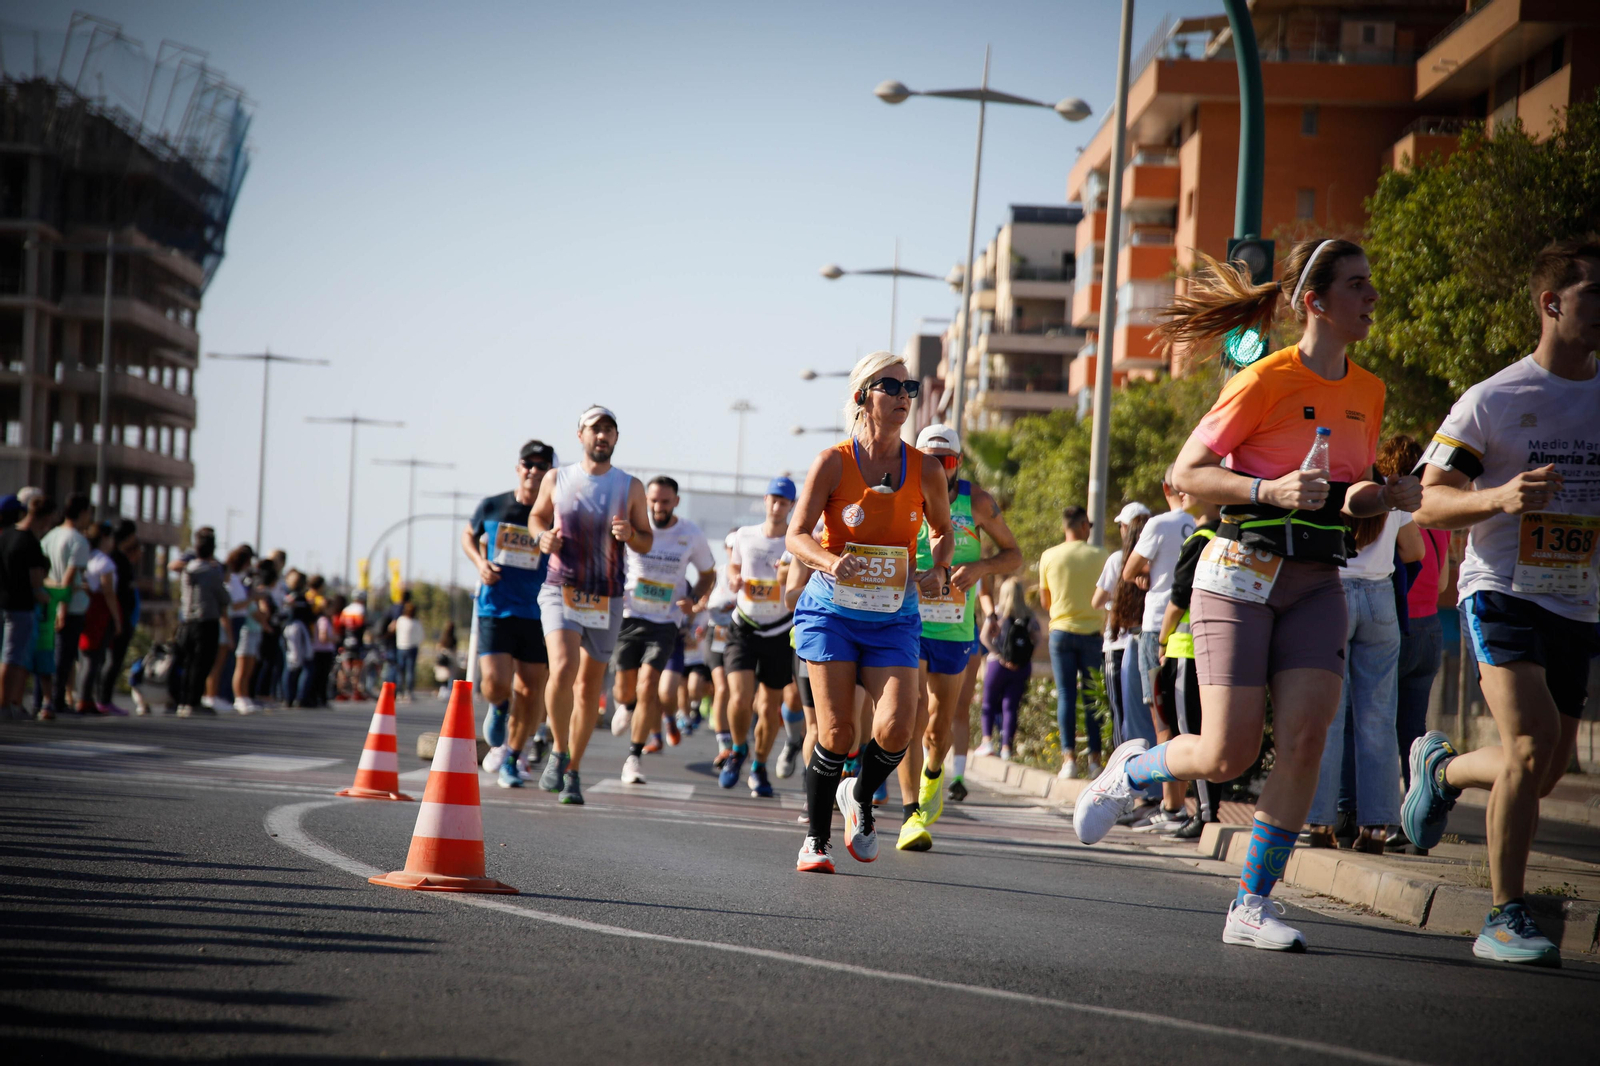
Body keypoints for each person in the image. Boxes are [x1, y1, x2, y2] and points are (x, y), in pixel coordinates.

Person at [1072, 238, 1419, 955]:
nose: (1373, 297)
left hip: (1318, 581)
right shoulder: (1264, 378)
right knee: (1227, 753)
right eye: (1358, 285)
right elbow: (1188, 472)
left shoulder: (1370, 390)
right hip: (1239, 575)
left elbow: (1349, 492)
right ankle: (1131, 771)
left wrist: (1386, 495)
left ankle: (1251, 904)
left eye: (1372, 283)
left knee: (1305, 740)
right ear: (1315, 302)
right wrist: (1269, 489)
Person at [1403, 235, 1600, 968]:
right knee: (1529, 744)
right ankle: (1504, 916)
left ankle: (1443, 771)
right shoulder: (1493, 398)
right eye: (1594, 295)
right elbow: (1428, 502)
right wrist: (1502, 497)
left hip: (1579, 598)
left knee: (1543, 771)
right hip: (1503, 590)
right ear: (1552, 303)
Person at [786, 350, 953, 873]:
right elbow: (797, 535)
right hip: (831, 613)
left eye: (910, 388)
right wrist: (831, 563)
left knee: (899, 727)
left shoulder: (926, 469)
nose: (905, 397)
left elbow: (943, 533)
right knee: (837, 733)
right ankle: (816, 841)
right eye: (892, 387)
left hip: (894, 615)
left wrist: (938, 569)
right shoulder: (833, 462)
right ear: (863, 396)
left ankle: (858, 795)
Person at [897, 422, 1021, 852]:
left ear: (958, 463)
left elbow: (1014, 554)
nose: (937, 467)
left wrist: (981, 567)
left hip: (954, 629)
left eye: (945, 460)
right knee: (912, 715)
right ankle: (911, 813)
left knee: (938, 725)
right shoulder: (902, 496)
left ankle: (934, 772)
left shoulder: (978, 502)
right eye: (928, 460)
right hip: (909, 625)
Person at [1305, 435, 1425, 852]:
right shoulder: (1390, 498)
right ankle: (1376, 827)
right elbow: (1415, 551)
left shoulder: (1331, 492)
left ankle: (1319, 823)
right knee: (1378, 717)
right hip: (1379, 598)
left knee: (1327, 715)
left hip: (1331, 596)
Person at [529, 407, 652, 805]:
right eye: (595, 429)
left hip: (605, 595)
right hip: (560, 587)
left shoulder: (630, 486)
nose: (602, 435)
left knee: (587, 689)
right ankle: (558, 749)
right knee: (564, 667)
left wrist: (631, 534)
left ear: (615, 438)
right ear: (579, 435)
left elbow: (646, 540)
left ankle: (573, 770)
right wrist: (542, 537)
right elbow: (536, 517)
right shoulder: (557, 478)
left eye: (609, 430)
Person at [611, 475, 715, 787]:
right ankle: (627, 705)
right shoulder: (632, 527)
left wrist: (693, 598)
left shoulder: (690, 533)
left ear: (676, 502)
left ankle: (634, 756)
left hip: (666, 621)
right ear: (646, 501)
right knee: (624, 690)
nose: (658, 507)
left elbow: (708, 573)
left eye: (665, 501)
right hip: (630, 616)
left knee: (648, 686)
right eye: (653, 500)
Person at [464, 439, 556, 788]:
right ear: (518, 468)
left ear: (550, 473)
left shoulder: (555, 515)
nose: (534, 471)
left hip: (538, 610)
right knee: (495, 682)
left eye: (542, 466)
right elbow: (468, 535)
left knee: (531, 691)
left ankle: (513, 758)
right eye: (528, 464)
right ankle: (499, 706)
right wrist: (480, 563)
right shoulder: (493, 505)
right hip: (496, 607)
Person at [1149, 498, 1225, 839]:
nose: (1183, 495)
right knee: (1211, 733)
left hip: (1187, 650)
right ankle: (1207, 810)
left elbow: (1179, 599)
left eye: (1190, 490)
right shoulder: (1227, 534)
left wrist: (1162, 639)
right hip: (1216, 647)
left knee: (1192, 734)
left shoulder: (1200, 539)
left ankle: (1205, 813)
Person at [722, 477, 799, 797]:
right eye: (773, 499)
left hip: (779, 630)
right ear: (765, 500)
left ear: (791, 506)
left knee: (769, 708)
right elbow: (733, 567)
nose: (777, 506)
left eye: (784, 502)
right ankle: (738, 749)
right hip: (744, 625)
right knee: (740, 698)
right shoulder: (745, 535)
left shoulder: (796, 541)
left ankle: (759, 766)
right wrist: (734, 578)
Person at [1122, 470, 1197, 787]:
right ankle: (1186, 799)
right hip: (1195, 624)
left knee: (1162, 719)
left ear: (1166, 488)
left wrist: (1147, 570)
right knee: (1190, 720)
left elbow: (1128, 571)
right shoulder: (1205, 523)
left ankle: (1168, 802)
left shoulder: (1158, 524)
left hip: (1157, 627)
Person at [1039, 506, 1109, 779]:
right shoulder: (1101, 555)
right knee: (1092, 697)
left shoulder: (1049, 556)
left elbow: (1045, 602)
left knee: (1066, 694)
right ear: (1082, 526)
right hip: (1092, 634)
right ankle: (1094, 761)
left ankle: (1068, 760)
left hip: (1061, 633)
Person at [1091, 503, 1152, 751]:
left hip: (1118, 644)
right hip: (1148, 642)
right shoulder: (1154, 558)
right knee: (1148, 711)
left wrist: (1113, 605)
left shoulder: (1117, 559)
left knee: (1120, 712)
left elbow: (1097, 601)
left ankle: (1124, 762)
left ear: (1126, 528)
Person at [39, 492, 92, 719]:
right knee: (64, 656)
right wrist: (63, 607)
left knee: (46, 652)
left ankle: (43, 699)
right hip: (69, 607)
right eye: (89, 513)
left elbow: (41, 570)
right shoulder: (78, 540)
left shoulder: (50, 536)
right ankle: (57, 700)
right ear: (82, 513)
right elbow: (68, 578)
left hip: (46, 601)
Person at [0, 493, 52, 719]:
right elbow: (37, 582)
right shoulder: (30, 542)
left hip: (3, 602)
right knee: (14, 657)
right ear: (46, 517)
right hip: (21, 606)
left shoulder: (6, 535)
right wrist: (45, 597)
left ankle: (8, 703)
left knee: (6, 654)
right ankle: (6, 704)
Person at [171, 527, 233, 717]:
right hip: (206, 621)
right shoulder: (212, 571)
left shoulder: (188, 569)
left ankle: (183, 701)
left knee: (188, 662)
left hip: (186, 620)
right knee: (202, 663)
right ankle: (194, 702)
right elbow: (224, 597)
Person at [978, 577, 1039, 762]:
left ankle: (987, 741)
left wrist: (999, 655)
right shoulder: (1029, 616)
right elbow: (1037, 639)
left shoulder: (997, 614)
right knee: (1010, 707)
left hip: (997, 665)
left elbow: (984, 637)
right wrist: (1023, 657)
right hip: (1021, 667)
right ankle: (1006, 748)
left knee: (988, 704)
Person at [75, 521, 124, 714]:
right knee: (94, 659)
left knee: (86, 657)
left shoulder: (87, 557)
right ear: (105, 538)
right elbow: (108, 592)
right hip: (100, 614)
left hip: (85, 609)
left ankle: (84, 698)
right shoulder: (105, 562)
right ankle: (85, 699)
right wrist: (117, 619)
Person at [94, 521, 140, 715]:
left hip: (120, 615)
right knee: (111, 659)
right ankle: (103, 700)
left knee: (108, 659)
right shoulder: (116, 559)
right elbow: (112, 591)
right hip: (117, 615)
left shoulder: (116, 557)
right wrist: (118, 619)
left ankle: (101, 699)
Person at [392, 601, 423, 701]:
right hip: (412, 648)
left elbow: (393, 629)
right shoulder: (416, 623)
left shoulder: (400, 620)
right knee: (410, 671)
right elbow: (421, 636)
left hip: (401, 647)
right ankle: (409, 692)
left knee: (400, 671)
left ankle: (399, 692)